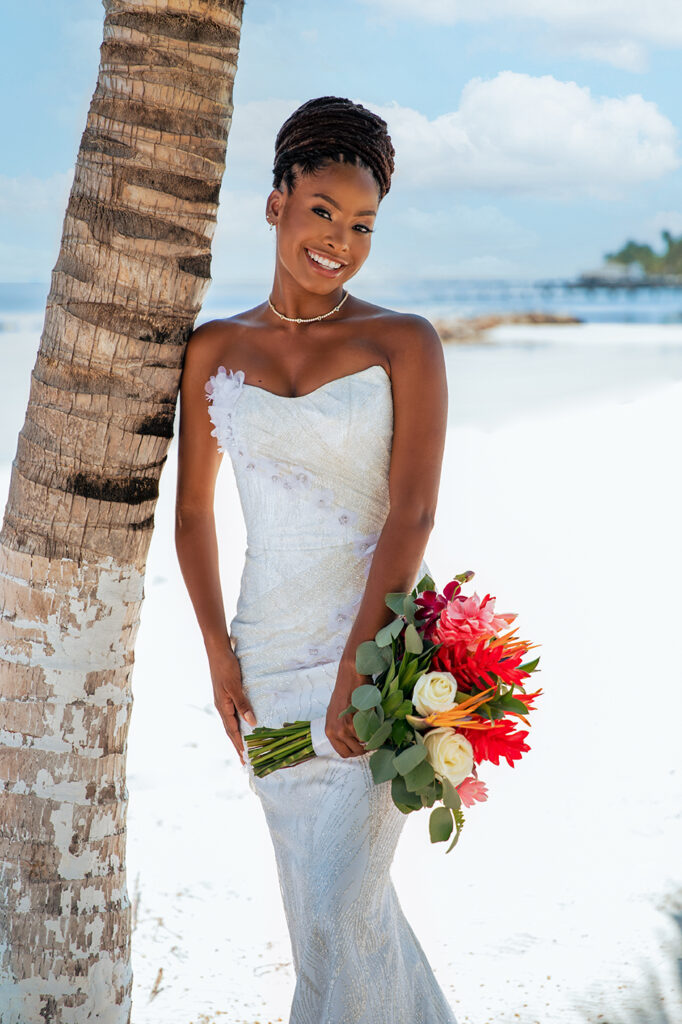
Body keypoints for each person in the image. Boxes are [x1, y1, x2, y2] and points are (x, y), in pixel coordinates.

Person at [175, 95, 456, 1023]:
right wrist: (218, 651)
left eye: (363, 224)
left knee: (345, 905)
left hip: (374, 673)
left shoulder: (402, 342)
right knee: (323, 914)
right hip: (266, 674)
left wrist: (359, 665)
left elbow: (410, 514)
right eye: (322, 211)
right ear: (275, 206)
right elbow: (192, 515)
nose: (339, 239)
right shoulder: (215, 348)